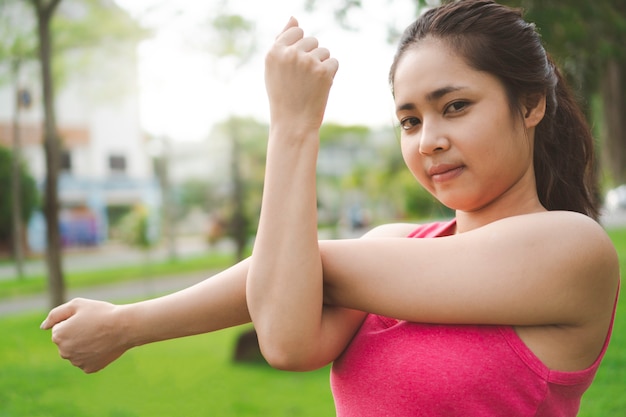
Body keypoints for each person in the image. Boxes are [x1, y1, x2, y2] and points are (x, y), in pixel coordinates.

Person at [42, 1, 620, 415]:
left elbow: (313, 267)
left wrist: (295, 127)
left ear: (530, 106)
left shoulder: (571, 247)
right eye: (410, 120)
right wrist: (121, 327)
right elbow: (288, 338)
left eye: (456, 106)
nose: (428, 141)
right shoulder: (395, 243)